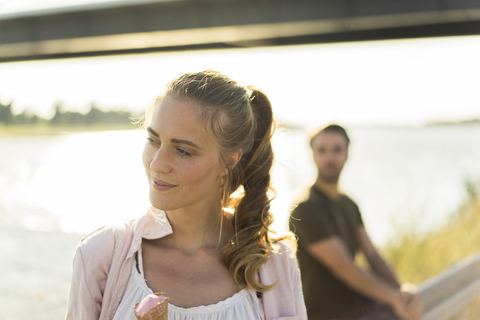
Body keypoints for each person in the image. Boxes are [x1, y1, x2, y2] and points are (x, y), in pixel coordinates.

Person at [66, 70, 307, 320]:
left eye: (182, 151)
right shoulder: (100, 254)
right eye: (153, 140)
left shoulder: (274, 262)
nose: (157, 164)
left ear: (228, 162)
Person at [289, 124, 422, 320]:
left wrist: (401, 289)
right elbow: (343, 267)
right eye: (322, 150)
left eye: (337, 149)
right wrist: (393, 297)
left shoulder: (349, 205)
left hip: (360, 309)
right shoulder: (305, 209)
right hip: (325, 315)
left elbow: (372, 255)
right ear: (313, 155)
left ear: (347, 154)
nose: (330, 157)